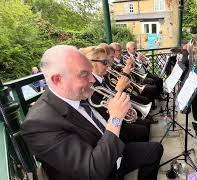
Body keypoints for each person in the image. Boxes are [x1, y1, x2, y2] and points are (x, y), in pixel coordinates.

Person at [21, 45, 163, 180]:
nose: (92, 79)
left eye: (90, 72)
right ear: (57, 80)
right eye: (84, 74)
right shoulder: (38, 124)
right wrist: (115, 118)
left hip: (113, 152)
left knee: (155, 149)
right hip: (103, 169)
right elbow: (94, 171)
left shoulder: (77, 93)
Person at [79, 44, 150, 143]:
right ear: (91, 63)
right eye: (105, 62)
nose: (108, 65)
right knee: (144, 129)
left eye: (108, 61)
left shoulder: (102, 76)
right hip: (113, 127)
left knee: (145, 124)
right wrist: (120, 88)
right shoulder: (90, 86)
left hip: (119, 117)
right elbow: (105, 110)